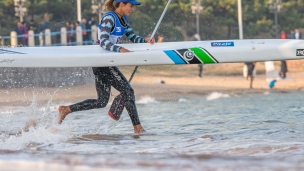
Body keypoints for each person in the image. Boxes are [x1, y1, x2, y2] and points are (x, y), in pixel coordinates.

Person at [57, 0, 155, 134]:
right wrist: (119, 49)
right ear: (121, 4)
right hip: (102, 62)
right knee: (128, 91)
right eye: (131, 6)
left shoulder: (123, 20)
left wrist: (145, 40)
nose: (132, 9)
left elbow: (132, 37)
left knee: (101, 101)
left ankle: (66, 109)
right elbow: (103, 41)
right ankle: (138, 128)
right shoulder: (109, 17)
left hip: (106, 62)